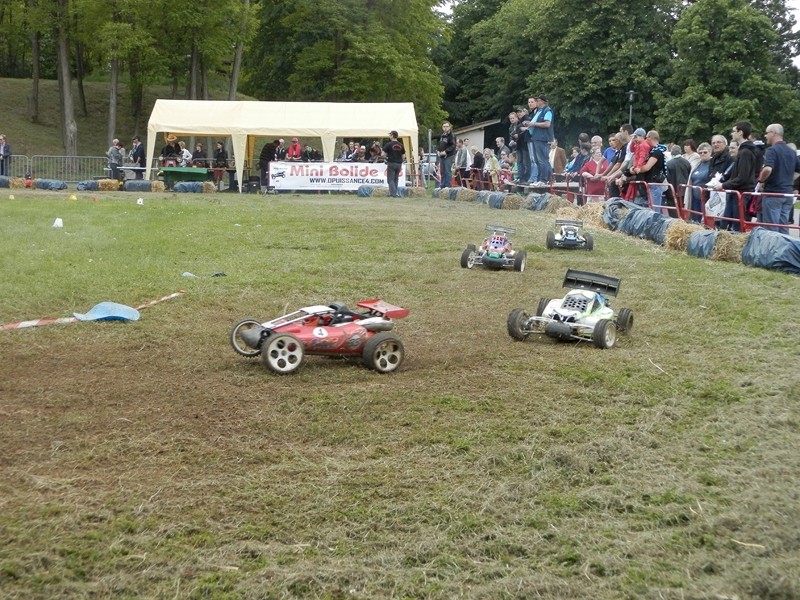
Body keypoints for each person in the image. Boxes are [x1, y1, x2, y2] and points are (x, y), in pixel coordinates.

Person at [712, 121, 759, 231]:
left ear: (740, 132)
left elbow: (742, 177)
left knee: (737, 226)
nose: (731, 134)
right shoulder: (744, 151)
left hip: (741, 194)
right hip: (736, 192)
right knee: (726, 224)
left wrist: (723, 185)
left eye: (733, 131)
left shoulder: (745, 152)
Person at [757, 123, 800, 233]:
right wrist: (788, 180)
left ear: (773, 133)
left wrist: (761, 180)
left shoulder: (772, 150)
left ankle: (772, 250)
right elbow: (798, 171)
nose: (765, 136)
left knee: (771, 228)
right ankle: (784, 249)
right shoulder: (791, 151)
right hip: (787, 193)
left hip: (773, 193)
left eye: (766, 133)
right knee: (783, 226)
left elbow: (767, 169)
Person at [686, 142, 713, 221]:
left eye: (705, 152)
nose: (702, 154)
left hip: (706, 197)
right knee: (695, 219)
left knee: (706, 220)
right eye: (700, 153)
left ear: (710, 152)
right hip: (695, 197)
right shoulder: (697, 164)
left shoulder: (712, 164)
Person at [663, 146, 691, 218]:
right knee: (683, 210)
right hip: (685, 190)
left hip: (672, 190)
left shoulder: (668, 164)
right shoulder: (687, 162)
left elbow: (667, 178)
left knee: (673, 211)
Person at [382, 131, 405, 197]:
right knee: (396, 178)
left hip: (391, 162)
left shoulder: (388, 144)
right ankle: (394, 193)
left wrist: (386, 157)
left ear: (392, 135)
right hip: (399, 164)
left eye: (390, 135)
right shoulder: (401, 145)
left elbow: (383, 154)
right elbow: (403, 156)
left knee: (390, 179)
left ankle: (393, 193)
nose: (389, 136)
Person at [436, 121, 456, 189]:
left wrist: (446, 151)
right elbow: (439, 144)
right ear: (442, 127)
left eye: (447, 126)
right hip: (442, 155)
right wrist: (438, 151)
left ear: (449, 127)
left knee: (447, 171)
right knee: (442, 171)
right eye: (444, 126)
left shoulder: (451, 135)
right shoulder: (442, 135)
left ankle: (448, 185)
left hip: (449, 155)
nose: (445, 128)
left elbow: (453, 145)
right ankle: (442, 185)